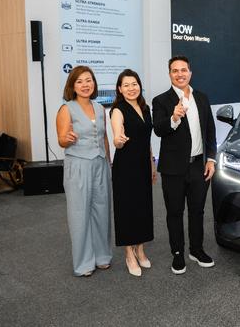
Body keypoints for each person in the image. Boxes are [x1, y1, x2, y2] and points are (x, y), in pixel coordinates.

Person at [152, 56, 217, 275]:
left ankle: (196, 250)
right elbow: (158, 129)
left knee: (197, 211)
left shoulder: (202, 98)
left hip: (199, 165)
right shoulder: (161, 100)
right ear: (169, 74)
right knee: (175, 212)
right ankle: (178, 253)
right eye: (175, 70)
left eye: (183, 70)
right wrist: (174, 117)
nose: (180, 74)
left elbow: (210, 131)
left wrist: (211, 159)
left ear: (190, 72)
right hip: (173, 169)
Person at [55, 66, 112, 277]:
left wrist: (109, 162)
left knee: (102, 211)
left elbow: (104, 137)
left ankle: (102, 256)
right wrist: (66, 138)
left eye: (88, 80)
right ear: (72, 86)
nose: (85, 85)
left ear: (94, 83)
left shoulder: (100, 108)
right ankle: (84, 263)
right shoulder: (66, 109)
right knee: (79, 214)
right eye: (79, 81)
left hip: (100, 164)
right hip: (78, 164)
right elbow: (61, 140)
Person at [110, 69, 156, 277]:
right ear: (120, 89)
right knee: (127, 209)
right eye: (126, 85)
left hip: (143, 165)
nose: (131, 88)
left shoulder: (145, 108)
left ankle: (140, 249)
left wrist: (152, 163)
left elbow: (147, 140)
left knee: (143, 207)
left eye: (134, 84)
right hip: (126, 167)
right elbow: (117, 135)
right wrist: (118, 140)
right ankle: (129, 253)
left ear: (139, 86)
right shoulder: (118, 110)